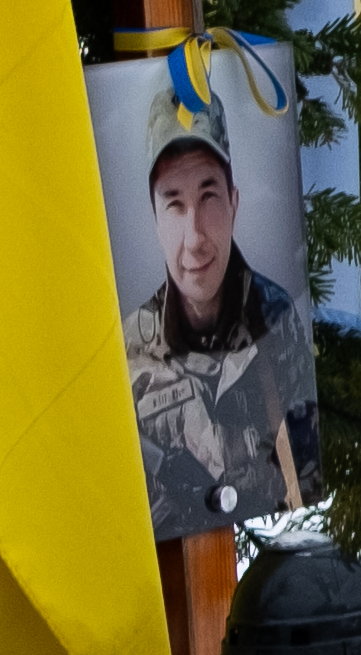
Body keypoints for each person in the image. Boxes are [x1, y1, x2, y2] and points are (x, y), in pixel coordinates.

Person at [128, 117, 318, 533]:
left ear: (234, 202)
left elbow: (301, 486)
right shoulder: (128, 350)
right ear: (155, 219)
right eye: (174, 204)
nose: (194, 236)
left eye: (209, 196)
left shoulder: (277, 319)